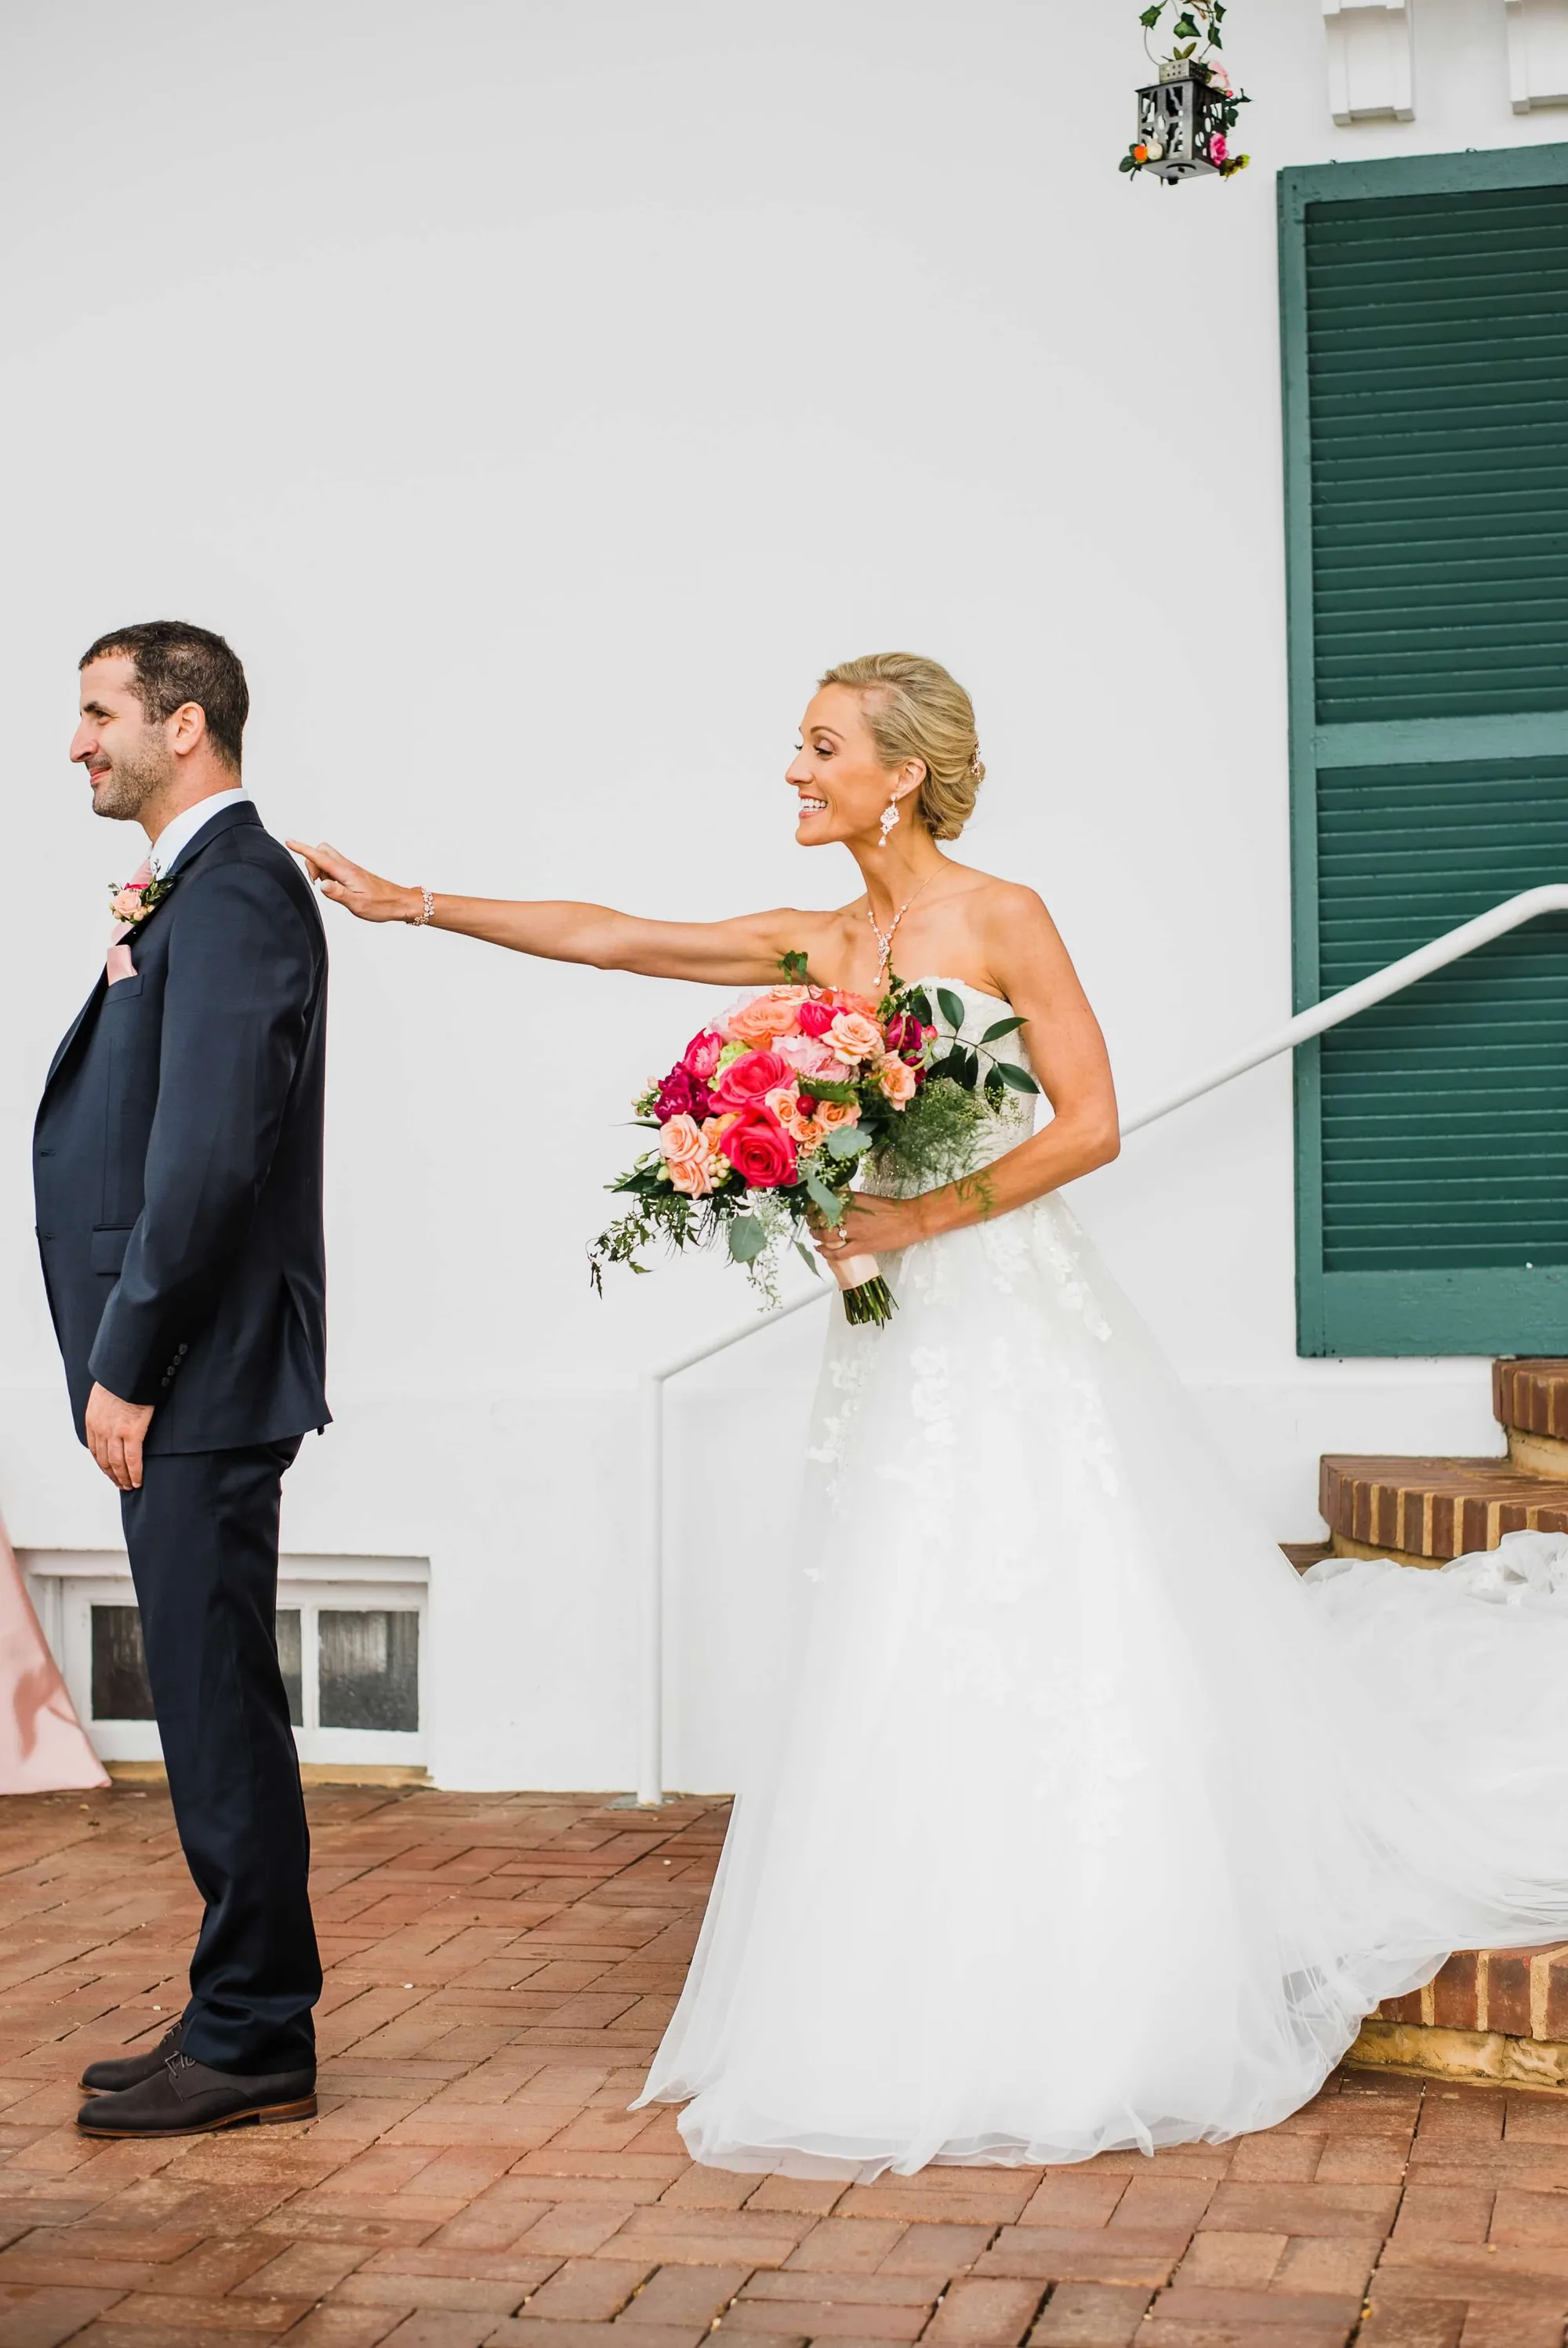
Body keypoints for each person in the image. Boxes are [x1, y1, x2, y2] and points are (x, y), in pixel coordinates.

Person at [293, 651, 1568, 2176]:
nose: (793, 768)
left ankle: (1103, 1972)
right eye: (797, 744)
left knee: (1051, 1596)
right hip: (892, 1344)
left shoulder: (1003, 915)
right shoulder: (819, 940)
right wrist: (415, 903)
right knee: (899, 1606)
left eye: (819, 745)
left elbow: (1091, 1125)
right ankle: (912, 1968)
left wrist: (920, 1215)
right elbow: (620, 936)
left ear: (900, 772)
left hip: (1015, 1319)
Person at [36, 622, 328, 2139]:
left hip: (196, 1369)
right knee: (213, 1704)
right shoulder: (194, 888)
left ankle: (257, 2033)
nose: (77, 742)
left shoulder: (239, 890)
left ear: (186, 723)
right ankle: (235, 2007)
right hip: (184, 1369)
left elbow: (211, 1156)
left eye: (101, 711)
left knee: (217, 1709)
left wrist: (130, 1364)